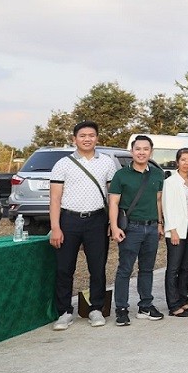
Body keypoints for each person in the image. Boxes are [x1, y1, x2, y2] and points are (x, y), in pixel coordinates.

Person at [49, 121, 118, 330]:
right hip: (68, 220)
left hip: (97, 221)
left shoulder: (107, 163)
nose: (87, 139)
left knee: (97, 267)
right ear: (74, 139)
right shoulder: (63, 164)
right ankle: (64, 312)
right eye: (82, 135)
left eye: (91, 135)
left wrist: (111, 223)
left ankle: (96, 308)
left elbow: (113, 197)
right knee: (64, 268)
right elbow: (54, 199)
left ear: (97, 138)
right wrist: (56, 227)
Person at [109, 135, 165, 326]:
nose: (142, 152)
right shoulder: (121, 175)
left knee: (147, 268)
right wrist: (114, 227)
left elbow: (158, 200)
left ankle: (145, 305)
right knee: (125, 269)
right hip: (130, 228)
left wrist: (159, 224)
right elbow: (114, 202)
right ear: (132, 151)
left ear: (151, 152)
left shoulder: (158, 174)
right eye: (138, 149)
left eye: (146, 149)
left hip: (151, 228)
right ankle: (121, 308)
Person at [161, 147, 188, 317]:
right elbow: (166, 207)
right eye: (183, 160)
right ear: (177, 162)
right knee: (174, 267)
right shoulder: (170, 181)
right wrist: (172, 230)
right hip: (176, 229)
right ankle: (173, 304)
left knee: (186, 266)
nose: (186, 163)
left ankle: (183, 299)